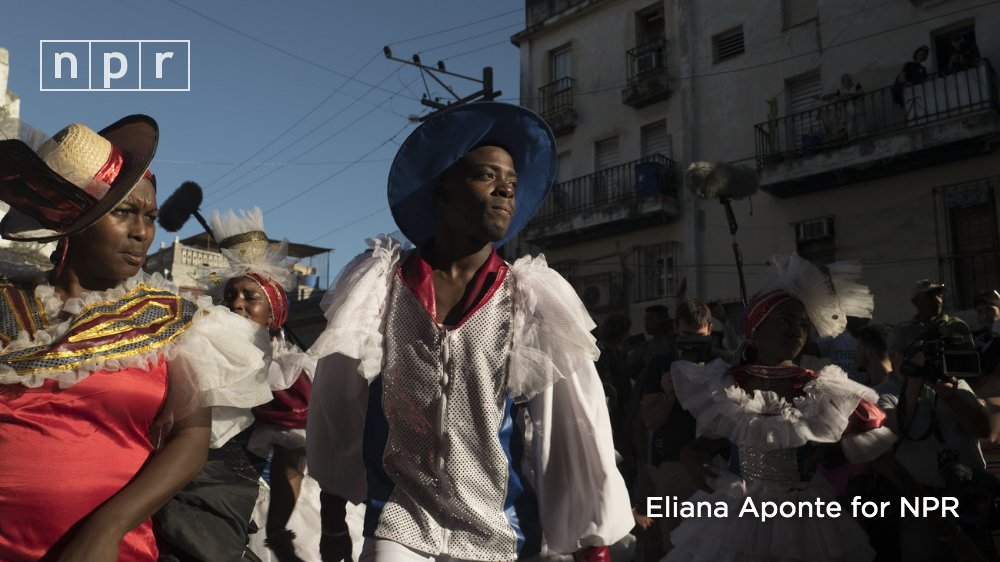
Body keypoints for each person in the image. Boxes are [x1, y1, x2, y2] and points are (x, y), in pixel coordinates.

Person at [306, 102, 632, 561]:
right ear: (442, 191)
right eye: (486, 176)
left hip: (500, 529)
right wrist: (333, 518)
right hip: (399, 520)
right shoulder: (380, 284)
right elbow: (337, 407)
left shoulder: (532, 297)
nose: (504, 191)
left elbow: (576, 424)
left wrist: (592, 541)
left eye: (513, 184)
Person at [0, 116, 270, 561]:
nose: (143, 232)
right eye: (124, 212)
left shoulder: (176, 319)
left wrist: (108, 527)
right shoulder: (7, 303)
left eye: (150, 217)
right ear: (75, 218)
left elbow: (190, 443)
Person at [666, 255, 896, 561]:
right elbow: (717, 440)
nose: (796, 331)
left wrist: (930, 504)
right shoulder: (727, 384)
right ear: (755, 330)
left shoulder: (821, 388)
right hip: (737, 514)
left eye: (803, 324)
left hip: (803, 517)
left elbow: (871, 452)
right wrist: (690, 453)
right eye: (785, 321)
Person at [640, 299, 712, 557]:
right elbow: (650, 421)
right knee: (676, 547)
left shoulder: (719, 364)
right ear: (675, 328)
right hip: (672, 464)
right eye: (686, 337)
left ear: (710, 330)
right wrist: (670, 394)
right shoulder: (661, 364)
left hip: (712, 464)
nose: (692, 345)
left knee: (714, 545)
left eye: (699, 338)